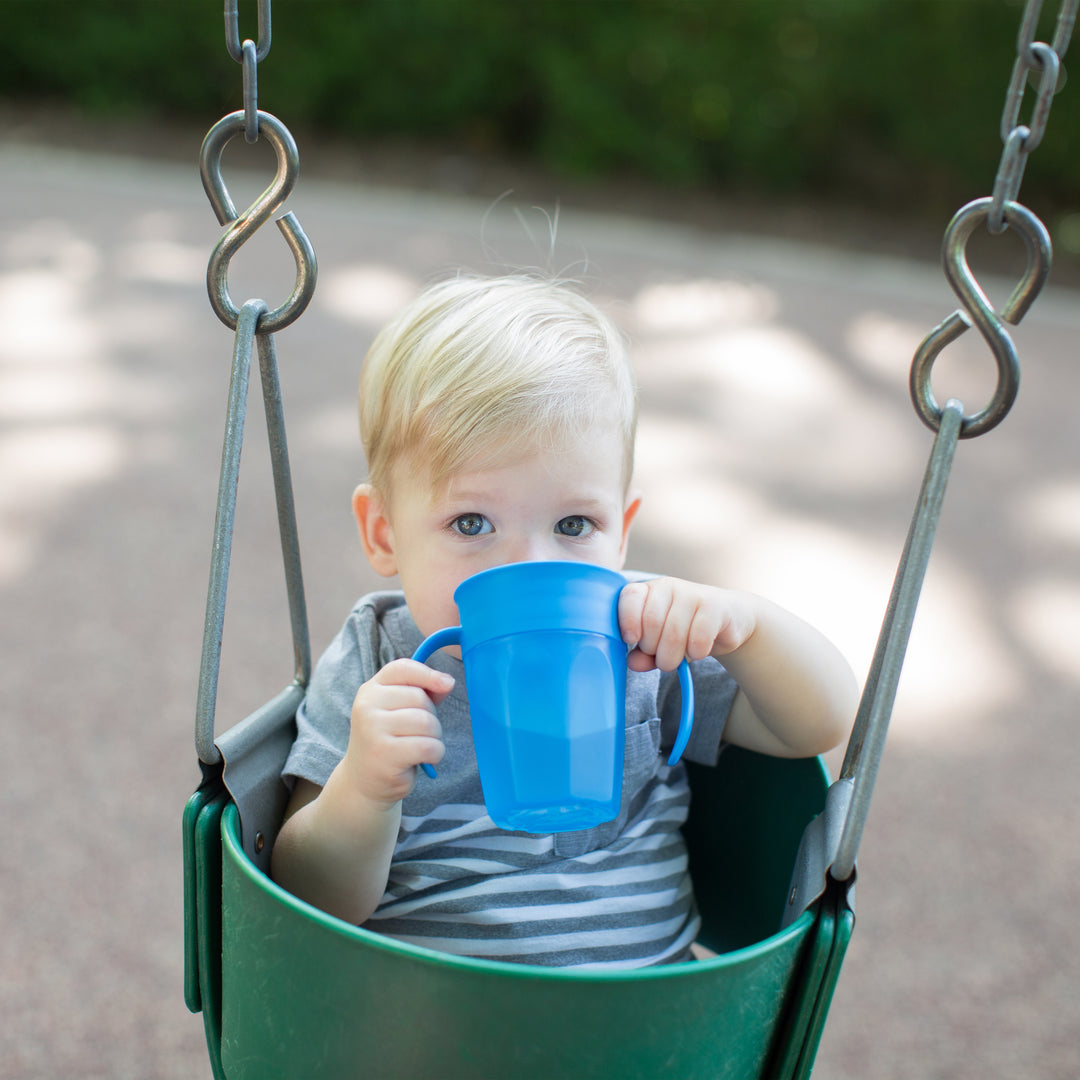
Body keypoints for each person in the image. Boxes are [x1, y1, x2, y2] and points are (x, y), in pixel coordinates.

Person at [271, 273, 856, 969]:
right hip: (433, 1031)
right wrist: (362, 790)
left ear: (622, 532)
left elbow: (818, 727)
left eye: (574, 523)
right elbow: (307, 897)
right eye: (471, 522)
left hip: (654, 1028)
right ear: (384, 533)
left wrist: (749, 628)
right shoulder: (376, 663)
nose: (529, 566)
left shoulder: (642, 634)